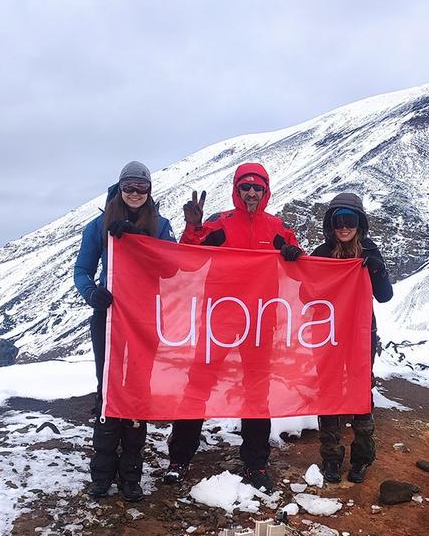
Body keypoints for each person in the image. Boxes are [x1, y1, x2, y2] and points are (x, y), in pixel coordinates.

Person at [163, 162, 303, 491]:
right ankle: (179, 458)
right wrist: (192, 226)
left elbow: (300, 266)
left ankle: (256, 463)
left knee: (257, 391)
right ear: (236, 190)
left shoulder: (277, 228)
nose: (251, 193)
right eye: (245, 187)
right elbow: (190, 256)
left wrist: (295, 255)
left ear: (266, 191)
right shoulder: (220, 223)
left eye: (257, 187)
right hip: (221, 317)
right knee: (198, 384)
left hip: (259, 320)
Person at [73, 161, 176, 502]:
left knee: (137, 393)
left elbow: (173, 266)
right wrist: (92, 294)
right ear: (119, 188)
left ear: (149, 191)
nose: (134, 193)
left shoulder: (160, 226)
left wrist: (143, 241)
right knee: (109, 391)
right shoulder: (98, 226)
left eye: (140, 188)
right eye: (128, 187)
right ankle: (102, 474)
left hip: (146, 319)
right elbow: (82, 271)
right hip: (110, 318)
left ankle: (131, 475)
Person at [309, 193, 393, 484]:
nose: (344, 227)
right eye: (338, 221)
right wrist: (297, 265)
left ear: (361, 223)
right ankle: (331, 458)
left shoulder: (370, 251)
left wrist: (377, 268)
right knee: (329, 392)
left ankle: (361, 458)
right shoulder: (320, 253)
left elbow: (384, 295)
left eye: (350, 221)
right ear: (330, 225)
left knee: (360, 392)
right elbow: (305, 295)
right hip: (328, 335)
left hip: (360, 334)